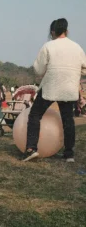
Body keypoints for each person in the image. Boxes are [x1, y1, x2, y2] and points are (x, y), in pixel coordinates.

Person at [23, 18, 86, 162]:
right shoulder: (77, 47)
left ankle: (31, 148)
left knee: (35, 115)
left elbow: (38, 70)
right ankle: (69, 154)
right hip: (69, 88)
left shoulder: (48, 46)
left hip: (51, 86)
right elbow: (84, 66)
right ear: (67, 31)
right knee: (68, 120)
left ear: (52, 32)